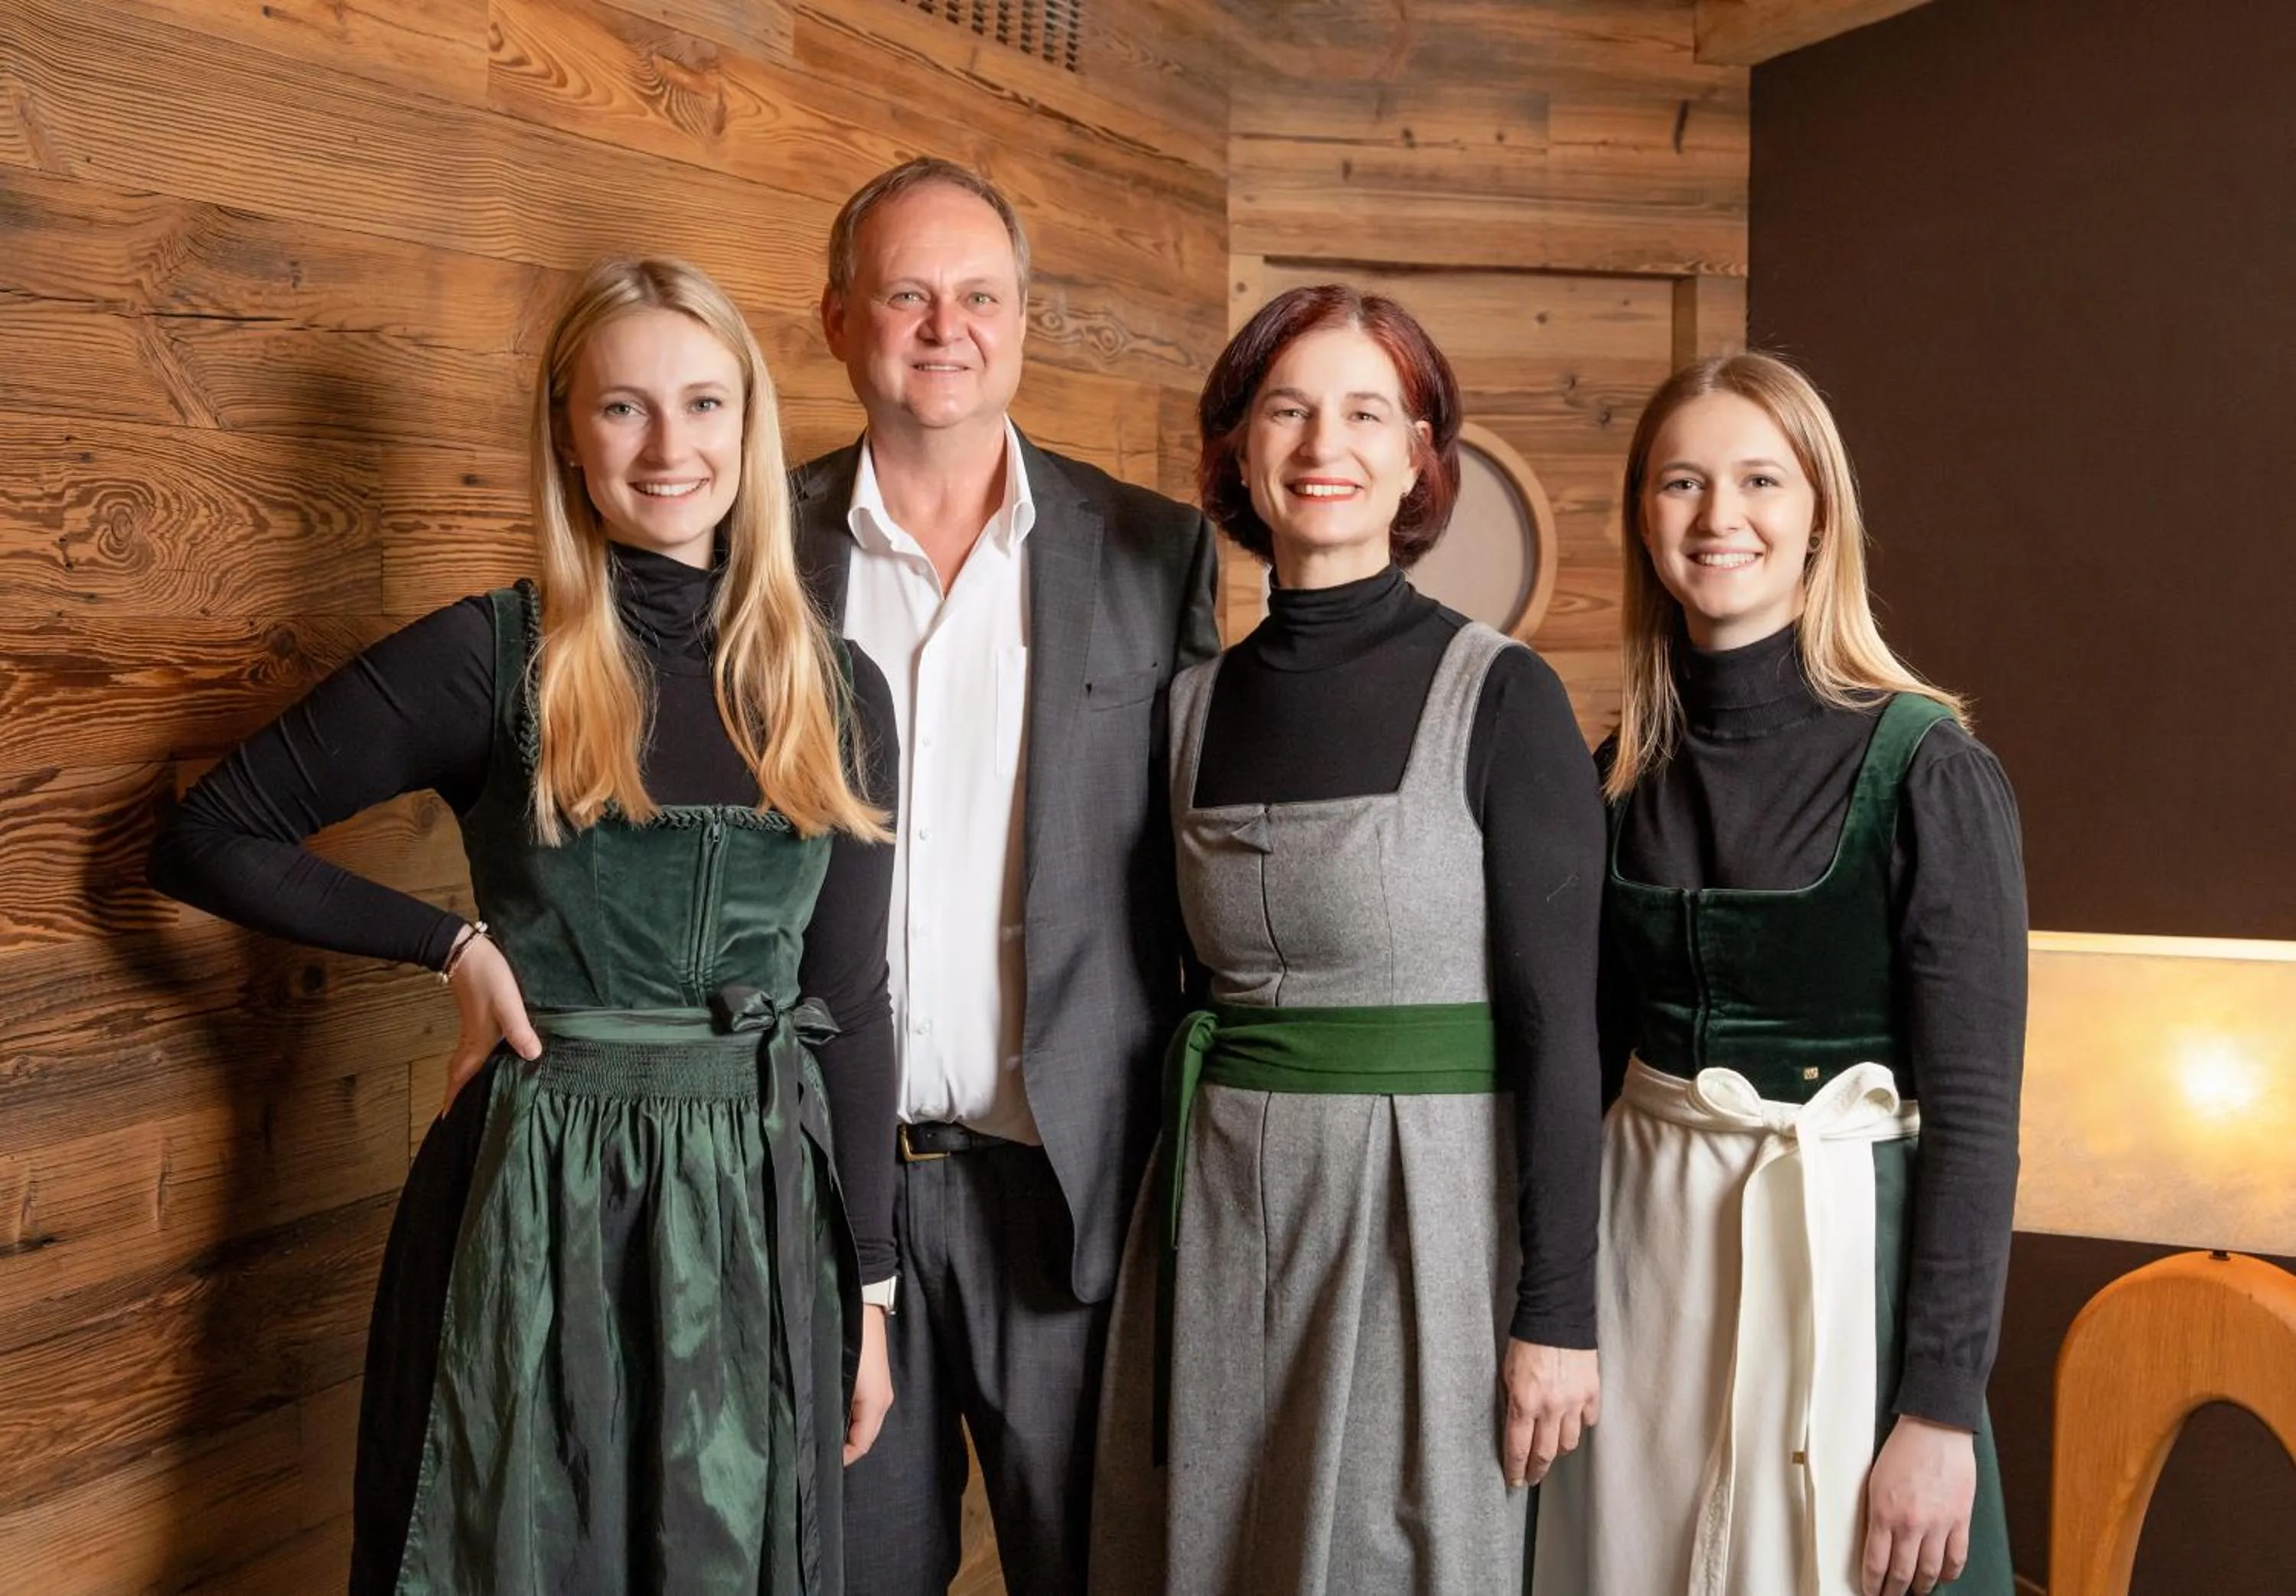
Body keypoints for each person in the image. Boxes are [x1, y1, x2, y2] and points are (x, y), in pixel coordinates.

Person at [147, 257, 901, 1594]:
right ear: (567, 430)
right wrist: (454, 946)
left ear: (751, 424)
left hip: (764, 1214)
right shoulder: (491, 655)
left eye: (704, 404)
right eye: (623, 409)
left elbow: (852, 1002)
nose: (670, 447)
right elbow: (205, 835)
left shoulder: (835, 690)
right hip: (539, 1202)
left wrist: (873, 1290)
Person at [1089, 284, 1607, 1594]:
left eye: (1367, 411)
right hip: (1211, 1218)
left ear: (1421, 455)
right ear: (1240, 449)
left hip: (1422, 1216)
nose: (1327, 444)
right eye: (1289, 409)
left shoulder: (1504, 695)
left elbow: (1561, 1024)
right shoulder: (1187, 707)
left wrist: (1558, 1311)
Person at [788, 158, 1221, 1594]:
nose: (944, 325)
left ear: (1025, 322)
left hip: (1068, 1198)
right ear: (839, 316)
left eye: (980, 295)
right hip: (817, 1192)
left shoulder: (1157, 555)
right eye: (907, 292)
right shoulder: (756, 553)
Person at [1529, 351, 2023, 1596]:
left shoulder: (1929, 769)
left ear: (1818, 515)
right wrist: (1555, 1315)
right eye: (1682, 483)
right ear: (1644, 520)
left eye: (1760, 480)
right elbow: (1572, 1070)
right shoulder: (1614, 772)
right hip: (1642, 1281)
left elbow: (1976, 1120)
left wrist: (1941, 1412)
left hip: (1844, 1273)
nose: (1719, 517)